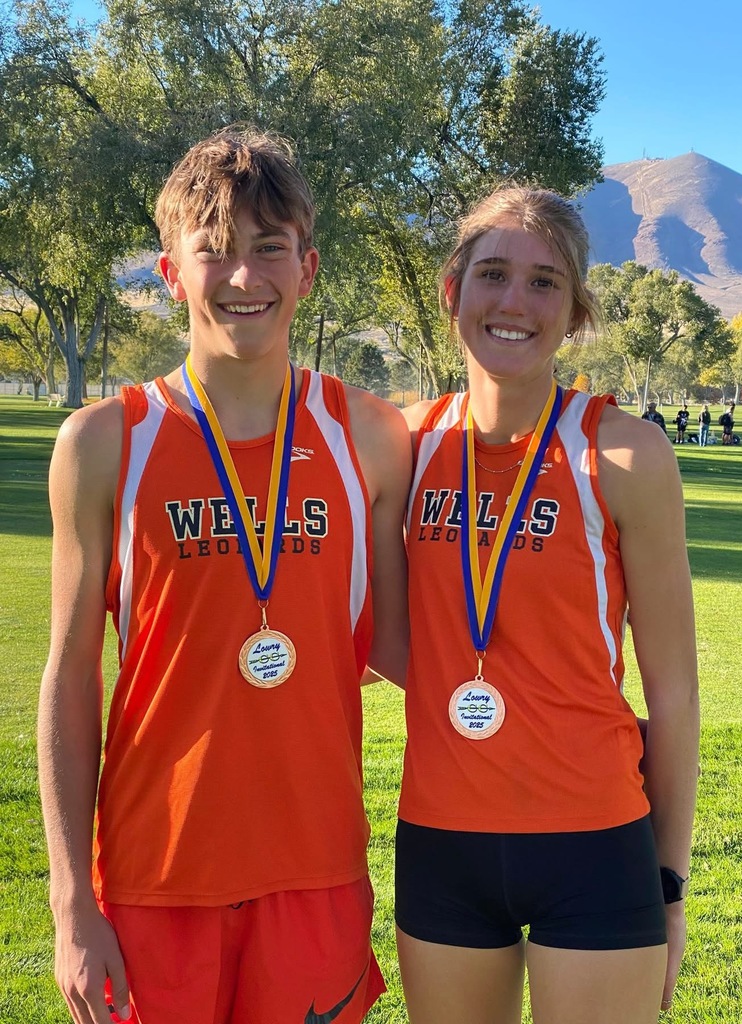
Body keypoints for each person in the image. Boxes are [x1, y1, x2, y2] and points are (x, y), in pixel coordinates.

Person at [37, 127, 411, 1024]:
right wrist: (69, 900)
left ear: (308, 269)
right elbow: (70, 675)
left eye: (269, 249)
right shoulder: (103, 442)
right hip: (151, 879)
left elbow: (409, 649)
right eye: (215, 252)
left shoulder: (370, 436)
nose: (245, 277)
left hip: (315, 876)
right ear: (172, 273)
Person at [395, 185, 699, 1024]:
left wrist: (668, 885)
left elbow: (674, 694)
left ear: (575, 312)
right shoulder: (403, 446)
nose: (515, 303)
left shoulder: (626, 454)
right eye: (493, 273)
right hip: (442, 841)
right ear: (452, 290)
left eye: (545, 283)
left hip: (596, 843)